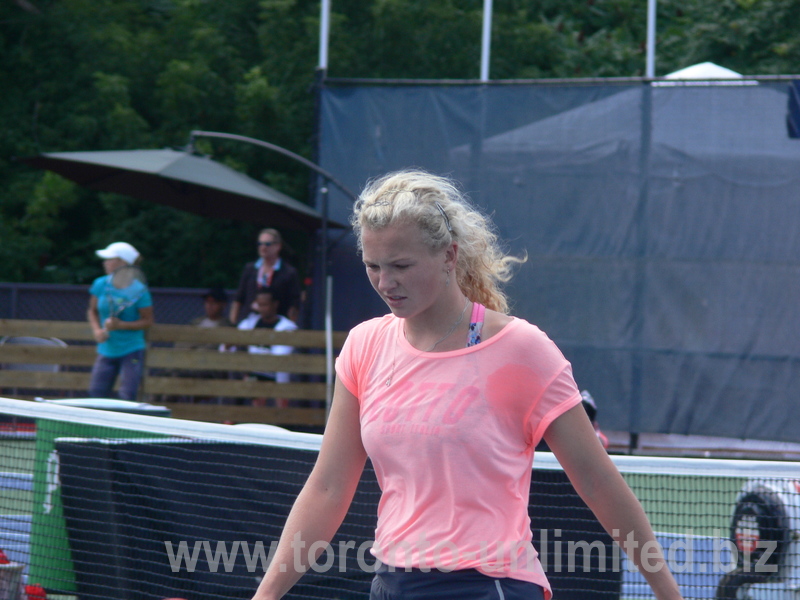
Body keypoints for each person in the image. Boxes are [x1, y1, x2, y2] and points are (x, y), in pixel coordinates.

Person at [251, 171, 683, 600]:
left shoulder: (522, 348)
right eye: (373, 266)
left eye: (401, 265)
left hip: (487, 586)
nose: (386, 282)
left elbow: (597, 481)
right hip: (390, 584)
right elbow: (327, 487)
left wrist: (668, 594)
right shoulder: (365, 346)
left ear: (449, 256)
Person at [86, 242, 154, 401]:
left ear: (123, 263)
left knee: (127, 396)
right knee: (96, 394)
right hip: (106, 349)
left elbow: (148, 321)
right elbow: (92, 311)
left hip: (132, 350)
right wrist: (97, 331)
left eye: (110, 259)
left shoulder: (140, 290)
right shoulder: (100, 284)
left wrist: (121, 325)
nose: (105, 262)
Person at [237, 287, 298, 406]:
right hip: (254, 373)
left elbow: (280, 356)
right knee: (243, 383)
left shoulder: (287, 326)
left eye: (265, 305)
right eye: (259, 305)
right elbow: (231, 339)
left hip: (276, 374)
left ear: (275, 304)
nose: (262, 309)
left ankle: (282, 420)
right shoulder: (251, 322)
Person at [230, 228, 302, 325]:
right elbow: (238, 298)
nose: (263, 247)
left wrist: (290, 325)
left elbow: (294, 303)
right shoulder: (250, 269)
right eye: (260, 244)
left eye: (267, 244)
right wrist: (233, 323)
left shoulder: (288, 272)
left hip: (276, 325)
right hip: (250, 322)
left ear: (278, 246)